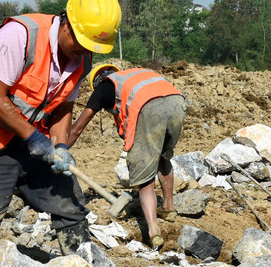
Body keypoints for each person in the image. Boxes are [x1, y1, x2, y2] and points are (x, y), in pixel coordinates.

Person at [0, 0, 121, 267]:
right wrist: (33, 137)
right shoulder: (20, 36)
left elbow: (62, 109)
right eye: (81, 42)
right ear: (66, 21)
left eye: (91, 47)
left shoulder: (82, 60)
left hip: (36, 138)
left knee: (71, 204)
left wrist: (61, 145)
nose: (84, 51)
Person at [66, 65, 186, 248]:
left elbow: (78, 128)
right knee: (162, 156)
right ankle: (168, 208)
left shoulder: (103, 87)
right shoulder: (131, 77)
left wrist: (59, 149)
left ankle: (153, 232)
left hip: (150, 107)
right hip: (177, 102)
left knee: (145, 174)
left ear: (97, 82)